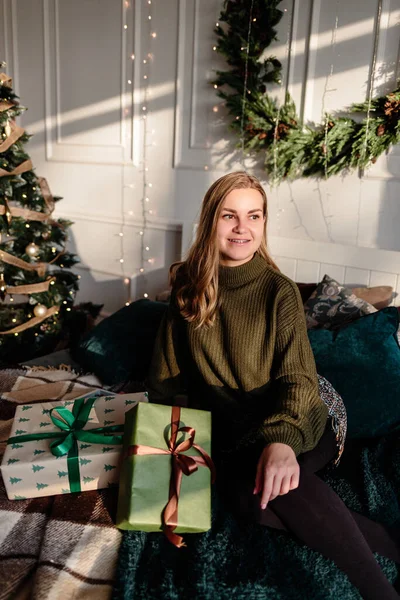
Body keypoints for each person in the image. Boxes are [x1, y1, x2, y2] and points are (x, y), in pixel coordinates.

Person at [146, 171, 399, 599]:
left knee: (275, 482)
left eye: (254, 216)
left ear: (263, 223)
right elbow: (168, 378)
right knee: (246, 501)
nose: (242, 227)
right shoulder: (189, 287)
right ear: (210, 221)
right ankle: (393, 545)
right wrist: (173, 434)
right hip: (236, 431)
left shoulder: (277, 291)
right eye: (230, 215)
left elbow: (298, 381)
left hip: (304, 413)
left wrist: (281, 442)